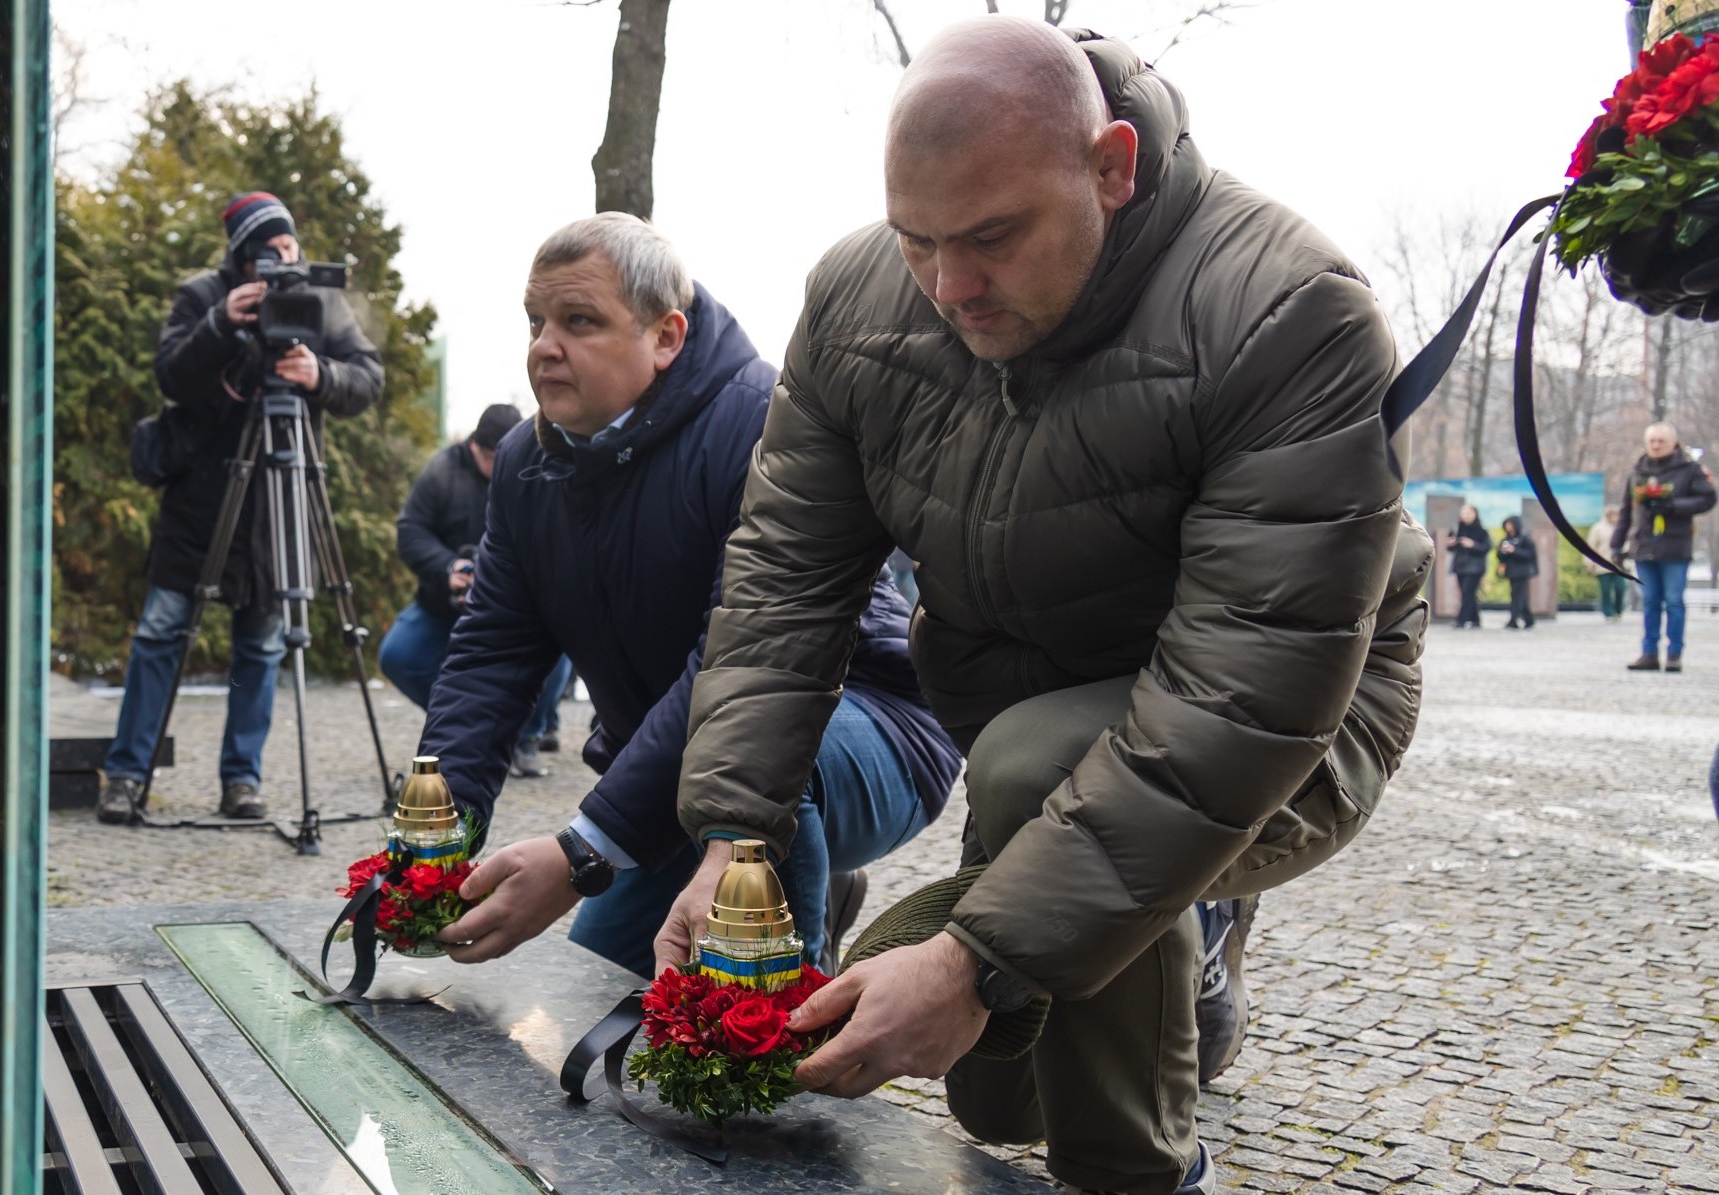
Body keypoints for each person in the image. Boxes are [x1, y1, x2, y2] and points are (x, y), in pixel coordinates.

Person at [654, 22, 1431, 1195]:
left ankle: (1146, 1175)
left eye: (992, 238)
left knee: (1030, 813)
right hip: (1030, 708)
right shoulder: (860, 299)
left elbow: (1241, 697)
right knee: (993, 1088)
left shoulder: (1288, 311)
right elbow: (784, 578)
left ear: (1111, 167)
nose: (950, 287)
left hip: (1297, 709)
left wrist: (970, 957)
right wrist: (733, 832)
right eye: (918, 241)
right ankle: (1187, 941)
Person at [426, 214, 962, 979]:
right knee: (596, 981)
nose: (544, 346)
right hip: (674, 778)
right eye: (536, 321)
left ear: (666, 337)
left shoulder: (759, 424)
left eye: (579, 322)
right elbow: (492, 653)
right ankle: (789, 884)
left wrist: (583, 853)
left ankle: (772, 1014)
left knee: (766, 756)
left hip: (867, 727)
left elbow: (742, 665)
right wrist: (434, 834)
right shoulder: (522, 462)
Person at [95, 193, 383, 824]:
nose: (286, 263)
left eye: (291, 248)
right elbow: (172, 376)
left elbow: (368, 377)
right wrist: (222, 322)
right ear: (242, 258)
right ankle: (124, 775)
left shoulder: (318, 299)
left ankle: (242, 780)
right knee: (161, 634)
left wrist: (321, 376)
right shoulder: (202, 297)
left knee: (261, 643)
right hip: (200, 502)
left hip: (277, 500)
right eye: (271, 253)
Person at [376, 403, 573, 778]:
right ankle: (468, 727)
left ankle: (526, 735)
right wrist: (448, 568)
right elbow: (410, 531)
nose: (499, 467)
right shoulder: (441, 473)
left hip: (520, 609)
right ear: (473, 449)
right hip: (444, 605)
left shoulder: (537, 472)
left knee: (560, 648)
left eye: (506, 458)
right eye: (491, 458)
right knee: (397, 655)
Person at [1615, 423, 1716, 672]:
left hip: (1675, 547)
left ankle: (1674, 653)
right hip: (1644, 546)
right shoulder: (1637, 472)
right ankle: (1649, 652)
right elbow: (1626, 512)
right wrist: (1616, 545)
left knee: (1673, 601)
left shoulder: (1689, 470)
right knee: (1649, 601)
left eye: (1661, 441)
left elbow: (1707, 498)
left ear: (1673, 443)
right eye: (1652, 441)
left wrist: (1674, 506)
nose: (1656, 446)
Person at [1445, 504, 1490, 628]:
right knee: (1467, 593)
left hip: (1475, 567)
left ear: (1475, 514)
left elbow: (1486, 548)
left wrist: (1472, 545)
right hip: (1460, 566)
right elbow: (1449, 547)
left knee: (1467, 592)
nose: (1466, 515)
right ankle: (1476, 620)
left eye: (1469, 512)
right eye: (1463, 512)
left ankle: (1461, 620)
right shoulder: (1456, 528)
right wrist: (1451, 543)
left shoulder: (1481, 530)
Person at [1585, 504, 1626, 622]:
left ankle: (1618, 610)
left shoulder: (1622, 527)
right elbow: (1591, 546)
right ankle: (1608, 613)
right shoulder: (1598, 528)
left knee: (1620, 588)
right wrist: (1589, 561)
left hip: (1619, 564)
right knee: (1605, 590)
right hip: (1602, 564)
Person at [1496, 516, 1537, 630]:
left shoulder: (1524, 539)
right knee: (1520, 596)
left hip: (1522, 571)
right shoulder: (1506, 540)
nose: (1508, 527)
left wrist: (1515, 551)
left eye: (1510, 524)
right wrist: (1501, 551)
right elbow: (1501, 557)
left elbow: (1530, 555)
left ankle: (1513, 620)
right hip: (1511, 571)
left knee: (1517, 596)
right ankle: (1528, 619)